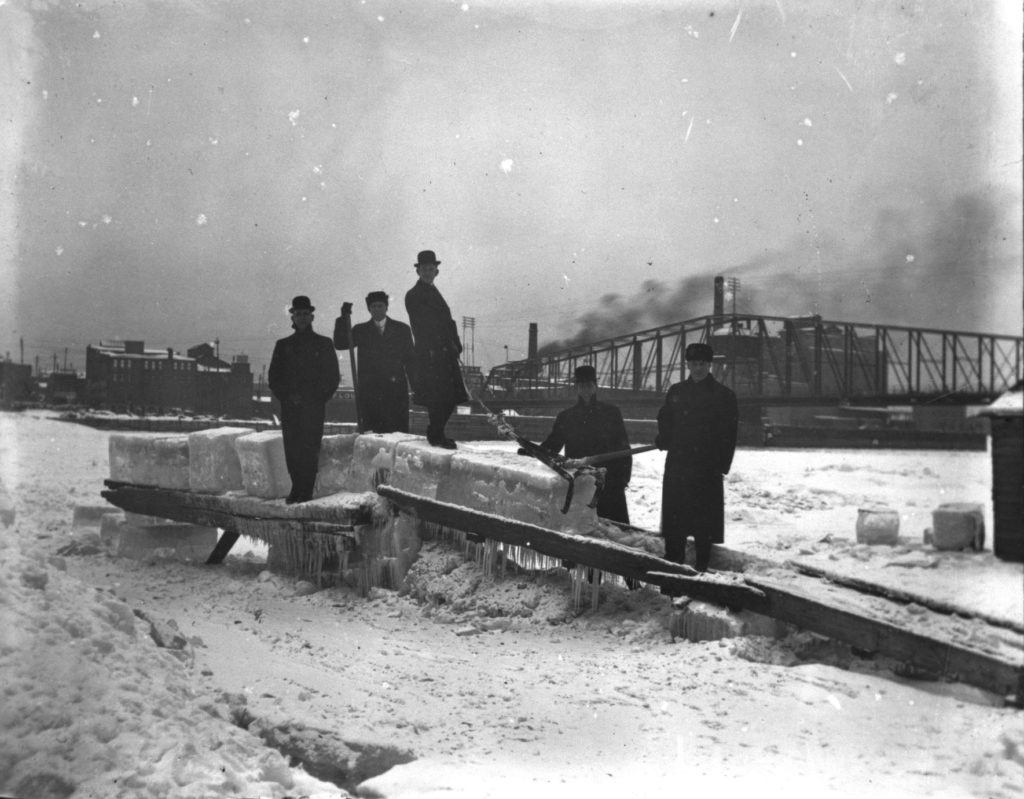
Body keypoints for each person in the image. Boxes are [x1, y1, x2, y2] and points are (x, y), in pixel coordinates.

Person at [656, 342, 739, 572]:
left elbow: (729, 434)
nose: (698, 368)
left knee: (704, 527)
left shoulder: (724, 396)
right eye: (694, 364)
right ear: (688, 365)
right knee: (676, 523)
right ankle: (673, 571)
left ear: (709, 364)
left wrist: (721, 465)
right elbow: (665, 419)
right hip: (679, 467)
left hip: (706, 468)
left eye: (702, 363)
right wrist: (663, 437)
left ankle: (701, 571)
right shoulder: (676, 391)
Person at [268, 295, 340, 504]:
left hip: (313, 407)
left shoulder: (324, 344)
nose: (301, 318)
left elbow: (332, 377)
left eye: (305, 314)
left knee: (310, 447)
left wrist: (316, 398)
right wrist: (288, 397)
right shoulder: (283, 345)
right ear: (292, 316)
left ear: (311, 317)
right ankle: (296, 487)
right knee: (292, 447)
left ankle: (306, 490)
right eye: (298, 314)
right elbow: (274, 378)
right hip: (290, 407)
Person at [538, 364, 632, 524]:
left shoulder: (611, 413)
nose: (586, 389)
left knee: (614, 531)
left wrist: (623, 479)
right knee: (582, 530)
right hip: (580, 482)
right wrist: (533, 450)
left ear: (595, 386)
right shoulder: (566, 417)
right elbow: (553, 444)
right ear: (577, 388)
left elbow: (623, 448)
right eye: (581, 385)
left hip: (608, 482)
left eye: (589, 385)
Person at [404, 250, 468, 449]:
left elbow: (448, 322)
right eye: (424, 269)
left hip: (445, 352)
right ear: (418, 271)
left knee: (449, 398)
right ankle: (436, 435)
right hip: (430, 354)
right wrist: (438, 347)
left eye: (431, 269)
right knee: (438, 397)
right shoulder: (414, 295)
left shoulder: (433, 291)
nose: (427, 272)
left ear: (436, 271)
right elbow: (423, 325)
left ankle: (436, 432)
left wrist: (455, 345)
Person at [333, 291, 415, 433]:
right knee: (372, 432)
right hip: (370, 391)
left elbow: (411, 360)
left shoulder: (401, 329)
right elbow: (340, 343)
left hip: (395, 391)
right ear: (369, 309)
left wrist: (416, 386)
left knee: (397, 432)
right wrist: (343, 318)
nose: (377, 309)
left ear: (386, 307)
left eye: (380, 305)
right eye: (373, 306)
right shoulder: (361, 330)